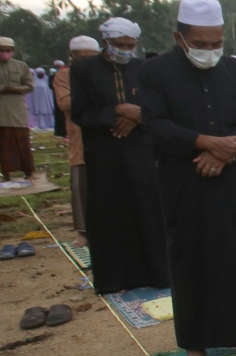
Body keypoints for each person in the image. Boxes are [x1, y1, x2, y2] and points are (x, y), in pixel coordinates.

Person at [137, 0, 236, 356]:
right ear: (180, 38)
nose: (209, 51)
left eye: (216, 43)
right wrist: (203, 143)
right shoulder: (155, 71)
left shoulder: (234, 69)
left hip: (233, 176)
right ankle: (195, 345)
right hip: (186, 178)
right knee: (192, 255)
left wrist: (226, 151)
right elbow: (155, 123)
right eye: (200, 44)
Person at [69, 17, 171, 294]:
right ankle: (114, 279)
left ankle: (157, 273)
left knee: (148, 208)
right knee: (109, 211)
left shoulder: (145, 68)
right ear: (106, 42)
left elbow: (160, 108)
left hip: (141, 149)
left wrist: (138, 115)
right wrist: (116, 111)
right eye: (119, 44)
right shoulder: (83, 69)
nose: (125, 49)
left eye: (129, 45)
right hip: (104, 150)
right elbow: (80, 112)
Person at [51, 37, 98, 245]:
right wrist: (98, 98)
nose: (86, 62)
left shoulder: (104, 74)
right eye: (81, 58)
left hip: (107, 134)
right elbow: (65, 102)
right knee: (81, 184)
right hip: (80, 135)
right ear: (72, 57)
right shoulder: (64, 76)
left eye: (91, 58)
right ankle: (83, 230)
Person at [0, 36, 36, 181]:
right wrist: (6, 88)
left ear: (13, 51)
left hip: (18, 108)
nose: (5, 53)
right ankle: (6, 174)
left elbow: (30, 86)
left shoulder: (21, 66)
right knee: (4, 144)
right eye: (1, 50)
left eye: (8, 51)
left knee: (22, 142)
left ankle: (28, 172)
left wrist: (17, 89)